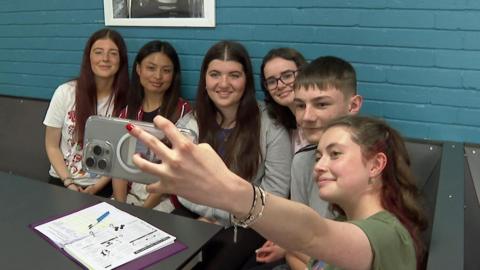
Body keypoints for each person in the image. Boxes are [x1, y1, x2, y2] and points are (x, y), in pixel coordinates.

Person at [125, 114, 428, 270]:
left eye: (335, 154)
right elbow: (313, 247)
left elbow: (314, 234)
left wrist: (228, 191)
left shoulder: (389, 234)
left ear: (376, 164)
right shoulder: (353, 229)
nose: (319, 165)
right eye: (318, 156)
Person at [173, 40, 293, 269]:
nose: (224, 83)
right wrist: (211, 215)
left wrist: (224, 217)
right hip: (196, 213)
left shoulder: (271, 125)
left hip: (250, 223)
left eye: (234, 75)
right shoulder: (190, 124)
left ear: (246, 80)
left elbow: (275, 194)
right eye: (215, 74)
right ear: (205, 80)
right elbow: (181, 185)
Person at [248, 56, 364, 270]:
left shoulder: (369, 165)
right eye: (300, 105)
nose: (307, 117)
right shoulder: (302, 161)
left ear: (353, 105)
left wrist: (296, 250)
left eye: (321, 104)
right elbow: (297, 239)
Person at [44, 28, 128, 197]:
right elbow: (52, 145)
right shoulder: (65, 92)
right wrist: (68, 183)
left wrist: (96, 187)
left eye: (113, 53)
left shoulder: (127, 100)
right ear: (89, 57)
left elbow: (122, 155)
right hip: (62, 181)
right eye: (98, 52)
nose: (105, 59)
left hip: (103, 186)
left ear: (121, 60)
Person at [112, 40, 191, 212]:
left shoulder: (184, 113)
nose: (158, 76)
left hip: (165, 198)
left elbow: (176, 170)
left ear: (174, 75)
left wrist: (143, 210)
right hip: (129, 195)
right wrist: (121, 205)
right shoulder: (126, 113)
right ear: (139, 69)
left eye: (166, 70)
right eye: (151, 68)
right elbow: (119, 168)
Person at [260, 47, 308, 153]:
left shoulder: (319, 123)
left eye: (287, 76)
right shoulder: (288, 129)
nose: (280, 85)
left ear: (303, 73)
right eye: (271, 81)